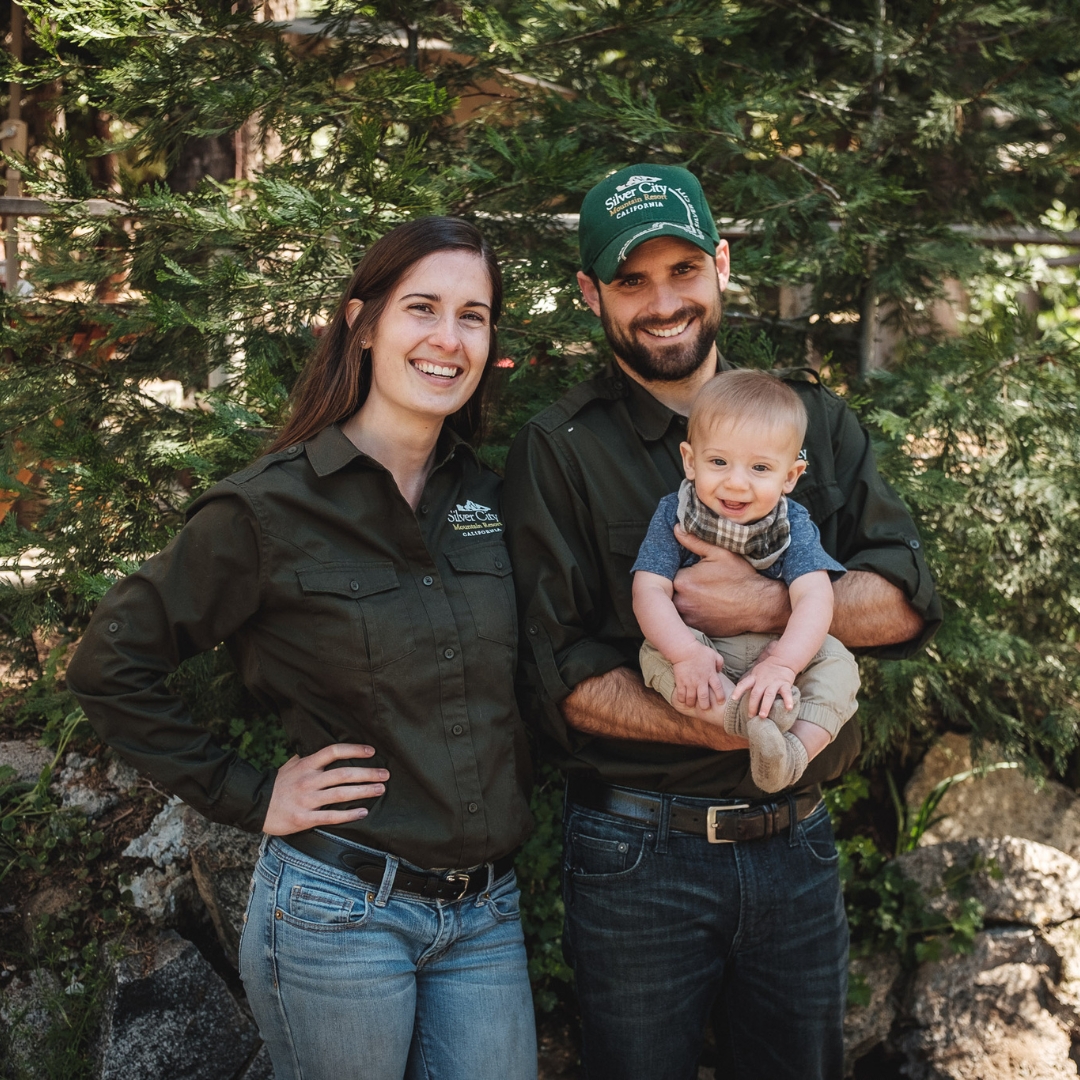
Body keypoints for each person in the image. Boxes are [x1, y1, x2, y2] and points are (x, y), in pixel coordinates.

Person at [67, 217, 538, 1080]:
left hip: (485, 915)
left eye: (473, 316)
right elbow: (110, 665)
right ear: (362, 323)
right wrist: (247, 794)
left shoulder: (491, 497)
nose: (448, 338)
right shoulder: (266, 510)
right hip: (340, 911)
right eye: (422, 308)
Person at [503, 165, 942, 1080]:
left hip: (798, 843)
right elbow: (559, 671)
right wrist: (743, 723)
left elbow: (903, 597)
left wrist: (775, 604)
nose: (663, 302)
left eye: (683, 271)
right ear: (591, 294)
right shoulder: (561, 448)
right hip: (638, 855)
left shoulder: (813, 421)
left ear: (722, 267)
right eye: (632, 280)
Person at [632, 368, 860, 794]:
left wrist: (785, 662)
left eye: (760, 467)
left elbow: (814, 596)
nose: (736, 482)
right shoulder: (675, 513)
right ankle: (745, 721)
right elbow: (649, 588)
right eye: (718, 462)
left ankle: (793, 753)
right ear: (690, 460)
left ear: (790, 477)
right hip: (704, 652)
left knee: (839, 665)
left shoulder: (791, 523)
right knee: (656, 657)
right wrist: (684, 653)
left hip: (778, 655)